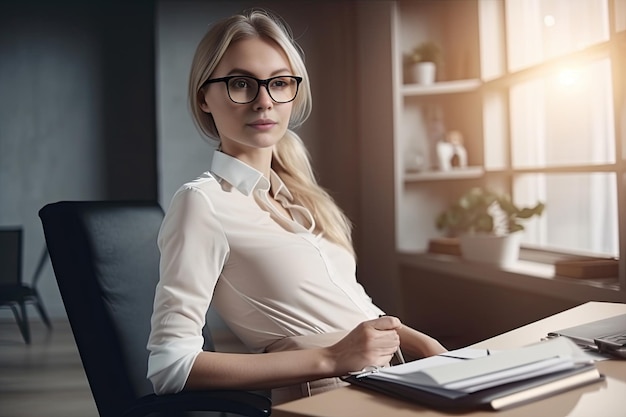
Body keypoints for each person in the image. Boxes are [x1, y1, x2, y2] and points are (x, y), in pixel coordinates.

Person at [147, 8, 447, 404]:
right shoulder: (202, 204)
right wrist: (331, 358)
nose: (264, 102)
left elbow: (350, 305)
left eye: (279, 83)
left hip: (391, 380)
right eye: (241, 84)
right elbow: (171, 367)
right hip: (327, 397)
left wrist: (421, 343)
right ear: (205, 96)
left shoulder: (302, 198)